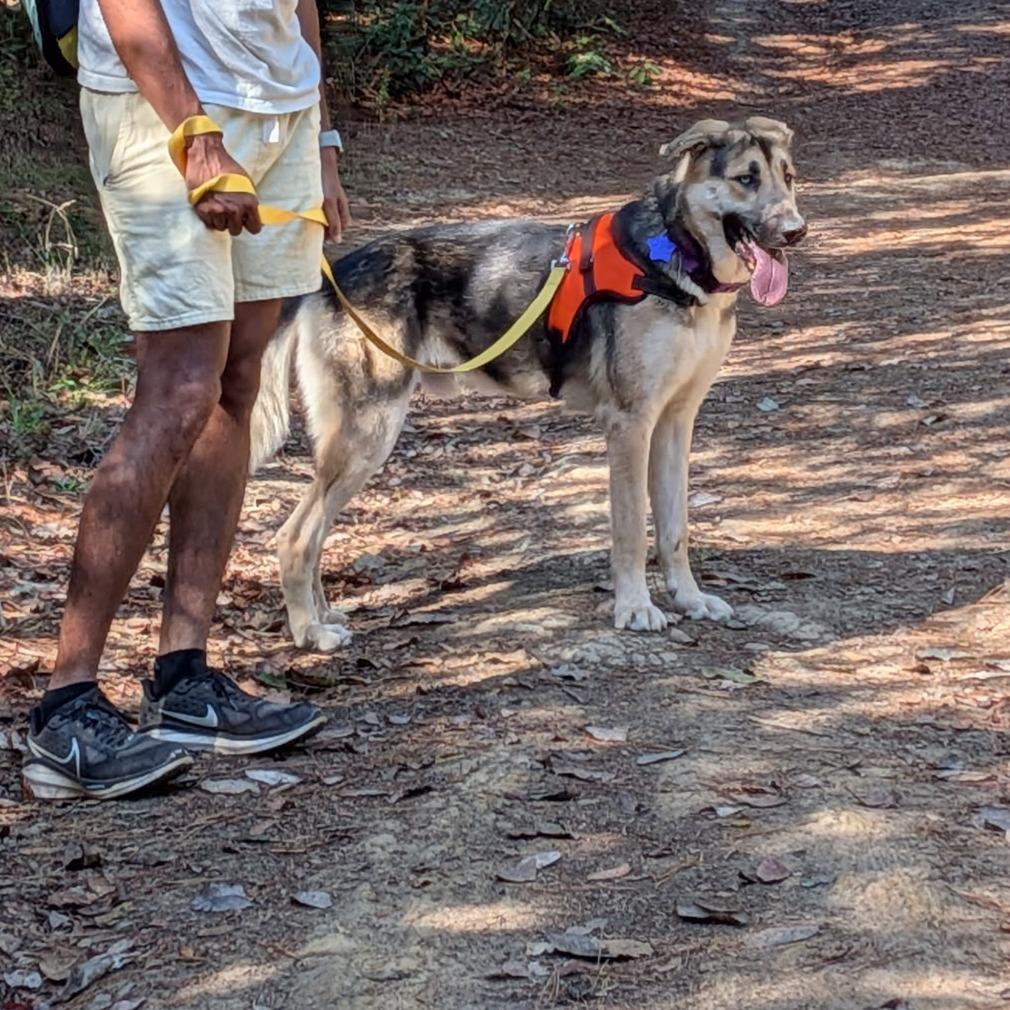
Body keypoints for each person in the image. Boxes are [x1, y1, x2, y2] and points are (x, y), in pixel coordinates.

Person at [22, 0, 351, 801]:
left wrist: (324, 136)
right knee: (178, 390)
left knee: (236, 385)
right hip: (164, 111)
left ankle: (184, 680)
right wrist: (193, 133)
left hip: (281, 114)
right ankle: (65, 710)